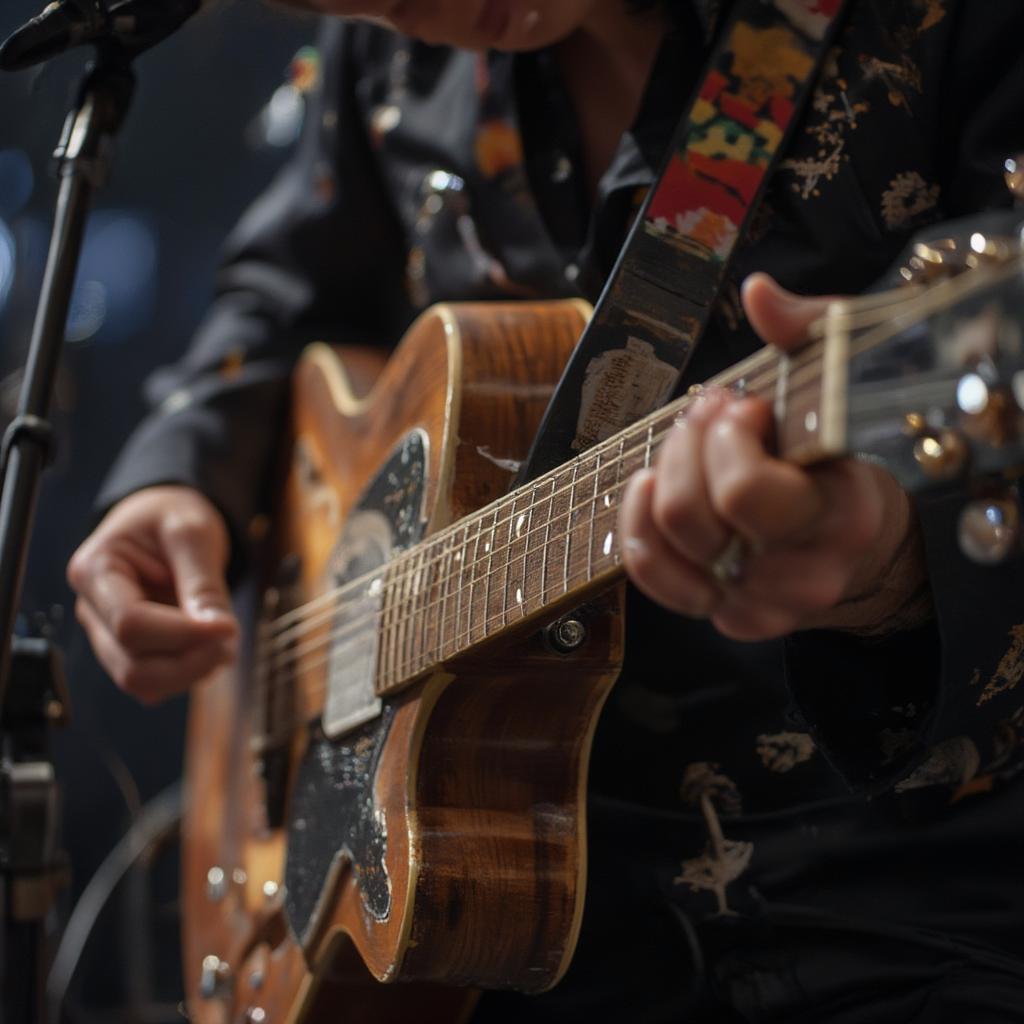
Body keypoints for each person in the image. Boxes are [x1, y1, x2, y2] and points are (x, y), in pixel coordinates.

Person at [67, 0, 1024, 1019]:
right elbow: (287, 289)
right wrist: (181, 476)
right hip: (491, 955)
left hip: (891, 921)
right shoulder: (386, 49)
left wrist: (885, 569)